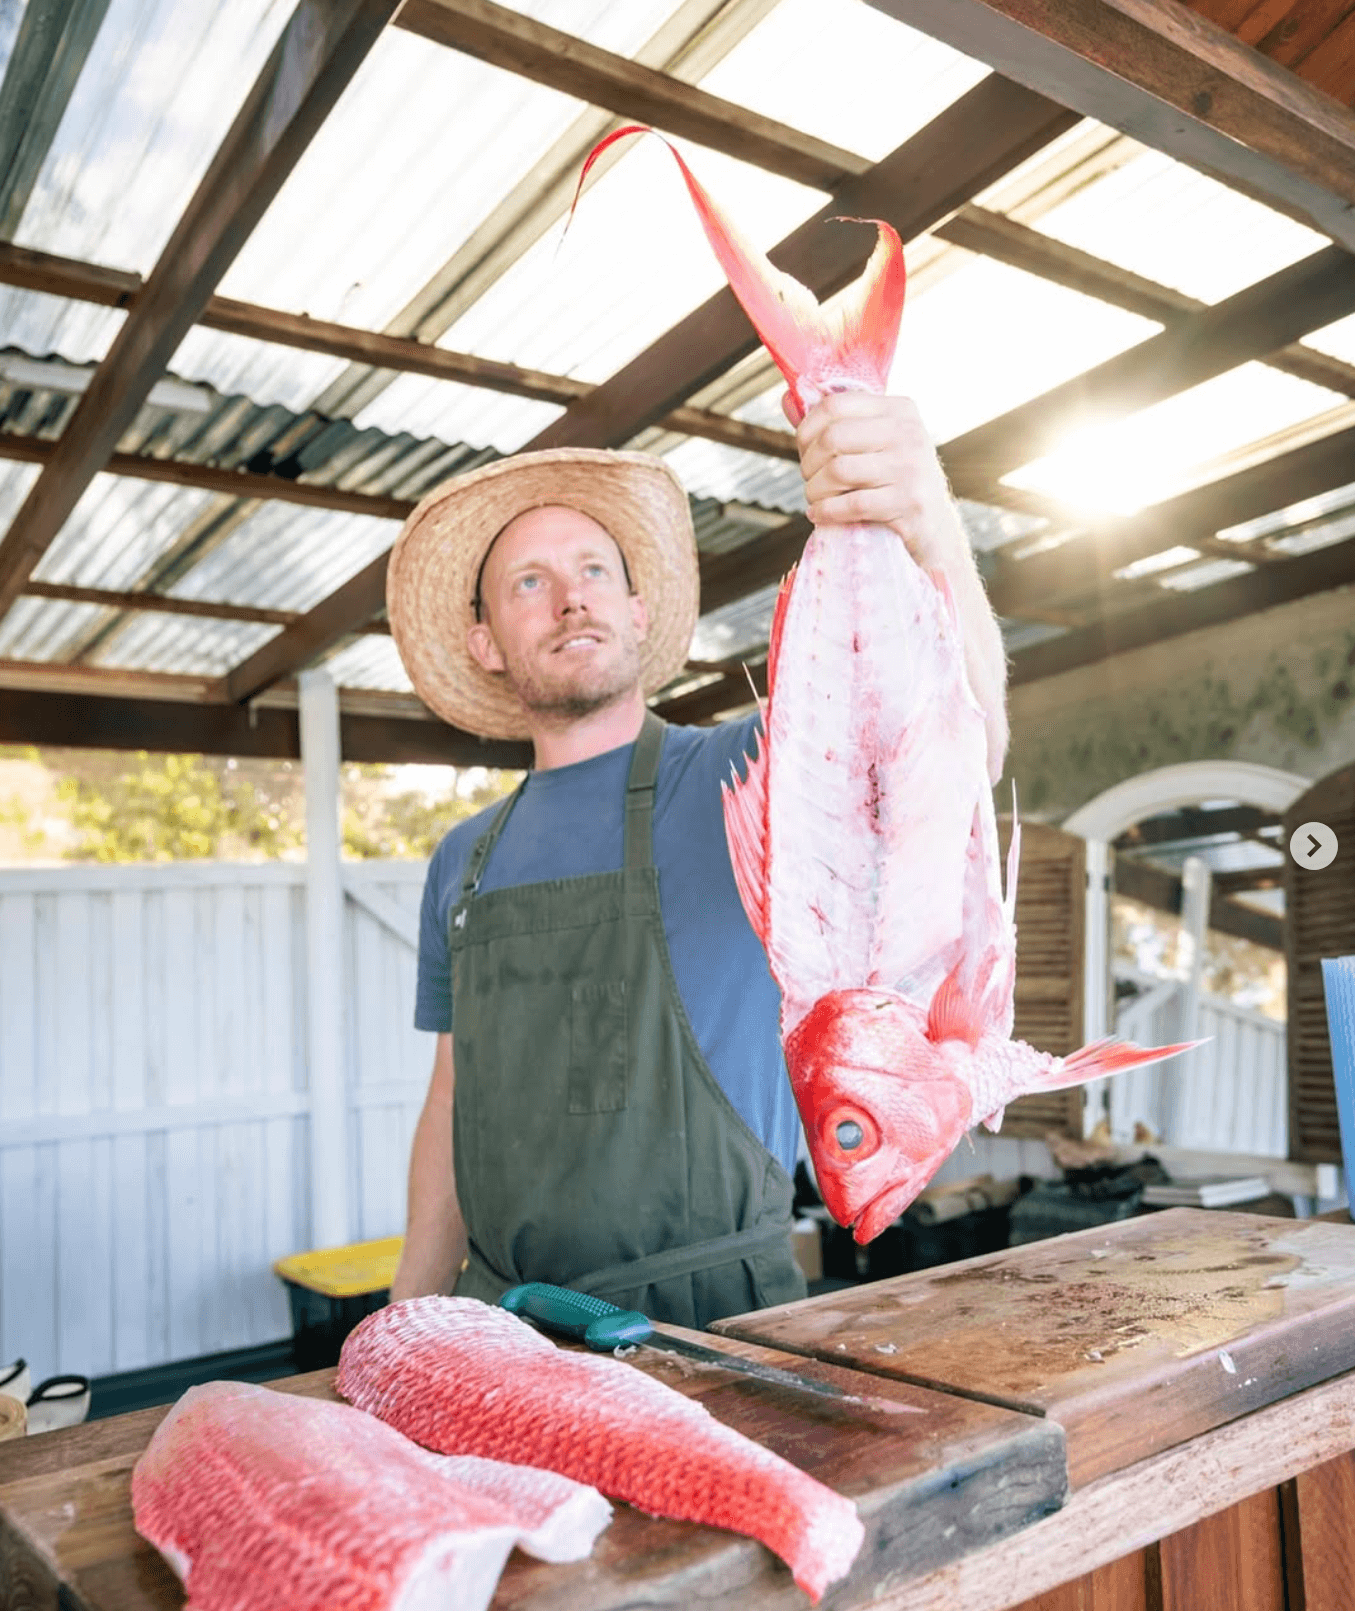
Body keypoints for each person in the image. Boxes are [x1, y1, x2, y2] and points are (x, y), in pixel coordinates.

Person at [385, 392, 1009, 1328]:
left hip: (717, 1318)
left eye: (594, 568)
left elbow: (960, 749)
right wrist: (405, 1317)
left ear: (637, 613)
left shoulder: (744, 774)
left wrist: (928, 525)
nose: (570, 596)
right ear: (485, 644)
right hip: (503, 1329)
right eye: (528, 582)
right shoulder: (463, 860)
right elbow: (451, 1103)